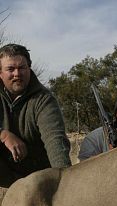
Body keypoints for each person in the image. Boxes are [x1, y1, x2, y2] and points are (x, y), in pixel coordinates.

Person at [0, 43, 71, 188]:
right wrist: (3, 135)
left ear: (29, 68)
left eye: (22, 68)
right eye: (10, 69)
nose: (17, 74)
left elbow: (55, 140)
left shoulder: (44, 100)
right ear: (0, 73)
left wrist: (65, 182)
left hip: (35, 182)